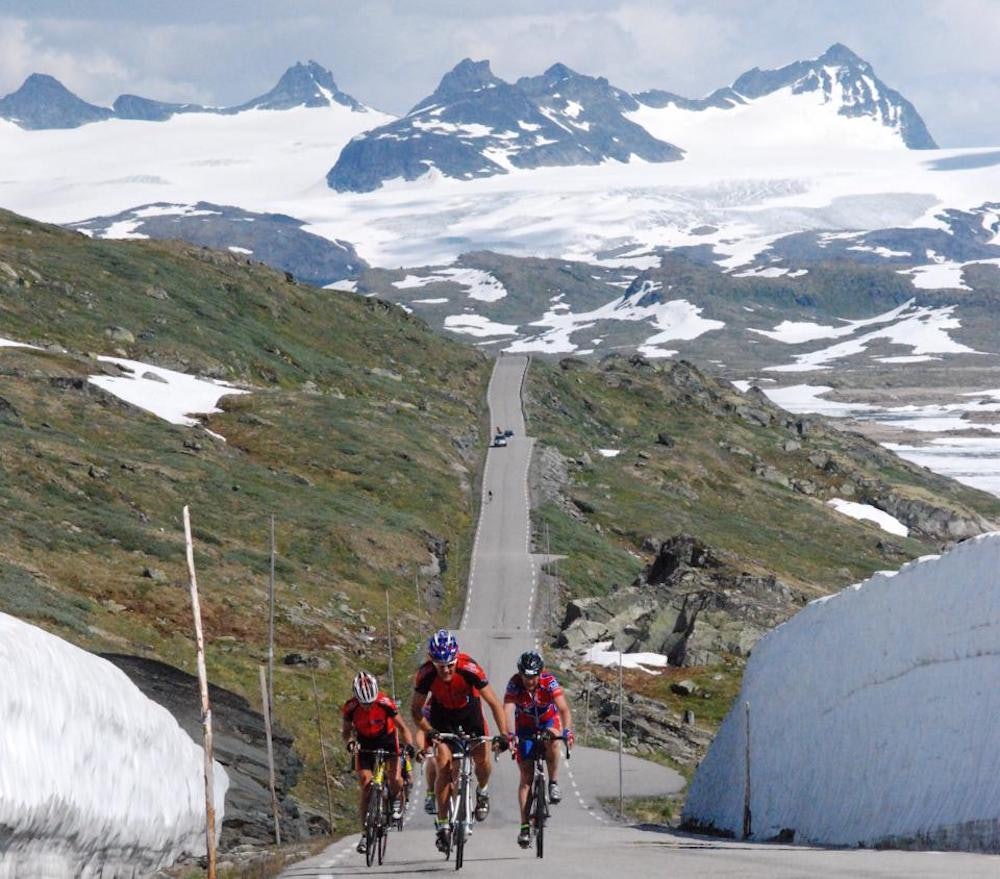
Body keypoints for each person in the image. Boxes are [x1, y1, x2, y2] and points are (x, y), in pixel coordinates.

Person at [411, 629, 510, 853]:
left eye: (450, 665)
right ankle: (444, 825)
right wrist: (430, 731)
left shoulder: (469, 669)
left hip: (470, 714)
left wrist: (504, 734)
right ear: (431, 661)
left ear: (456, 659)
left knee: (482, 758)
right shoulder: (425, 674)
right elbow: (416, 711)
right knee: (443, 765)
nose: (445, 670)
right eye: (440, 665)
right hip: (442, 717)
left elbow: (494, 703)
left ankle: (482, 791)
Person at [504, 650, 574, 849]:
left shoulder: (549, 682)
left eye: (533, 676)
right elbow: (507, 709)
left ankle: (553, 782)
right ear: (520, 673)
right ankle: (525, 827)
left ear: (540, 672)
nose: (529, 681)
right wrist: (509, 734)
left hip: (547, 722)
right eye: (525, 676)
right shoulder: (514, 684)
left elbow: (563, 709)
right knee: (526, 778)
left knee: (553, 740)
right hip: (524, 727)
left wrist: (567, 731)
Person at [342, 671, 415, 854]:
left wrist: (409, 746)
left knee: (395, 778)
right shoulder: (350, 708)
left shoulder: (385, 703)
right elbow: (346, 732)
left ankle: (397, 799)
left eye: (370, 702)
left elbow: (404, 728)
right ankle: (366, 834)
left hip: (388, 740)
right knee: (366, 784)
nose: (367, 707)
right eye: (364, 703)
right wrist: (350, 742)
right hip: (365, 742)